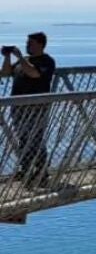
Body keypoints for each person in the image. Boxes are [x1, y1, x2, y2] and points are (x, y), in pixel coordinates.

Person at [2, 32, 57, 189]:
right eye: (27, 42)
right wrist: (7, 57)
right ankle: (26, 170)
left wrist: (20, 57)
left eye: (30, 43)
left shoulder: (47, 61)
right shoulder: (24, 61)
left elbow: (34, 74)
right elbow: (5, 73)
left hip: (36, 109)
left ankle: (41, 173)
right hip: (18, 108)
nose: (27, 45)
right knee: (24, 140)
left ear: (40, 44)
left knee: (36, 140)